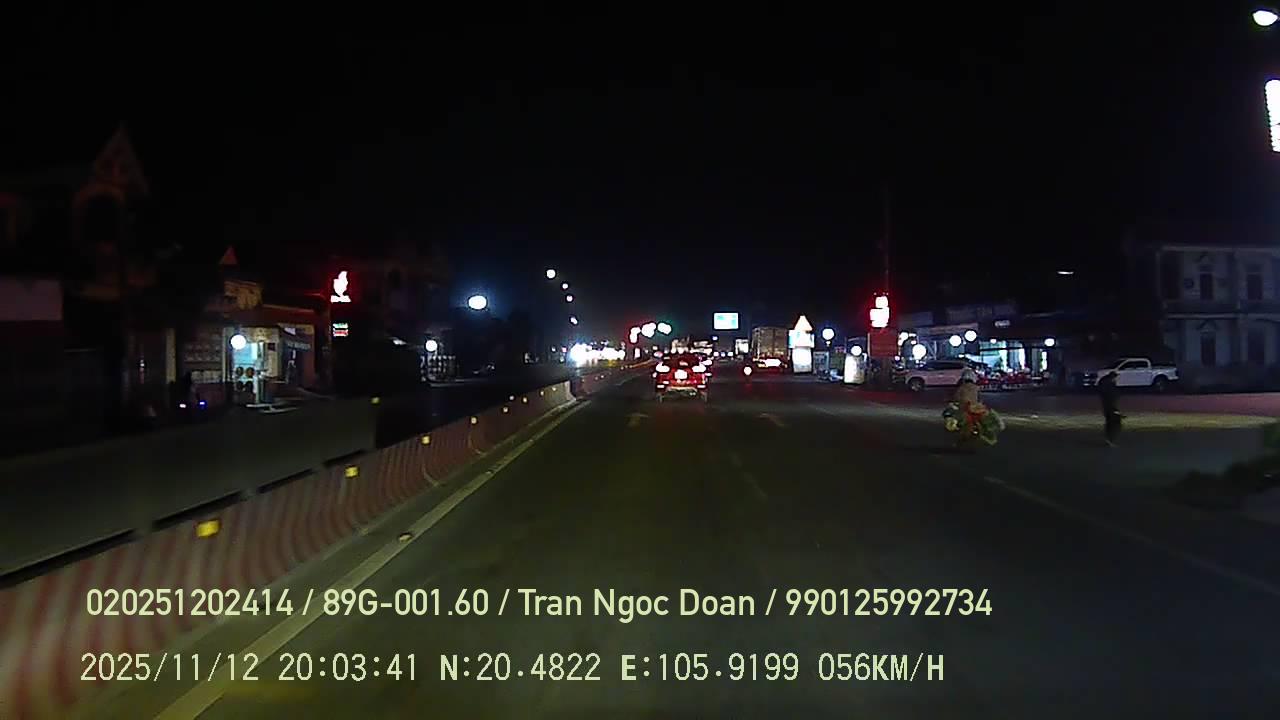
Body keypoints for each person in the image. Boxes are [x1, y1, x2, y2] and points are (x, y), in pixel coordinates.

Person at [1098, 369, 1122, 447]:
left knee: (1110, 423)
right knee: (1113, 424)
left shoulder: (1105, 383)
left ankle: (1108, 439)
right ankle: (1110, 439)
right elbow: (1112, 397)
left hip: (1108, 406)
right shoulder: (1110, 385)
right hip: (1110, 407)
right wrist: (1115, 410)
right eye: (1115, 377)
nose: (1116, 379)